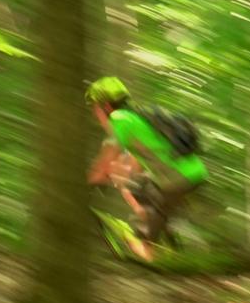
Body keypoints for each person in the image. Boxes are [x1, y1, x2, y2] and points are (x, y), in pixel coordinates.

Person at [85, 77, 207, 251]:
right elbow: (135, 166)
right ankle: (170, 235)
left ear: (105, 106)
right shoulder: (137, 118)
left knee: (142, 237)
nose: (95, 114)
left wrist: (87, 182)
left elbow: (107, 158)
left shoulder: (119, 118)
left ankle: (155, 250)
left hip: (178, 178)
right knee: (139, 189)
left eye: (95, 108)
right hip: (193, 172)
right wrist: (116, 179)